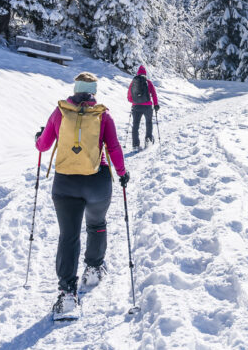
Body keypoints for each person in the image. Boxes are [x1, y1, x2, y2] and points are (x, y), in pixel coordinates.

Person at [35, 72, 129, 320]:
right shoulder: (102, 115)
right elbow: (114, 147)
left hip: (65, 183)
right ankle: (94, 268)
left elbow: (43, 145)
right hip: (96, 181)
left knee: (69, 236)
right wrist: (122, 173)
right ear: (93, 92)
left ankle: (67, 295)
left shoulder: (60, 112)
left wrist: (39, 137)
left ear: (74, 90)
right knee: (97, 223)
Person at [126, 65, 160, 150]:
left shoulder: (133, 82)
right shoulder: (148, 82)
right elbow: (154, 94)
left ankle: (135, 145)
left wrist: (134, 101)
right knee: (148, 122)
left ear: (138, 73)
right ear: (145, 73)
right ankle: (148, 140)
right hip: (147, 107)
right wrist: (156, 104)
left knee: (135, 125)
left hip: (136, 107)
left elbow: (129, 97)